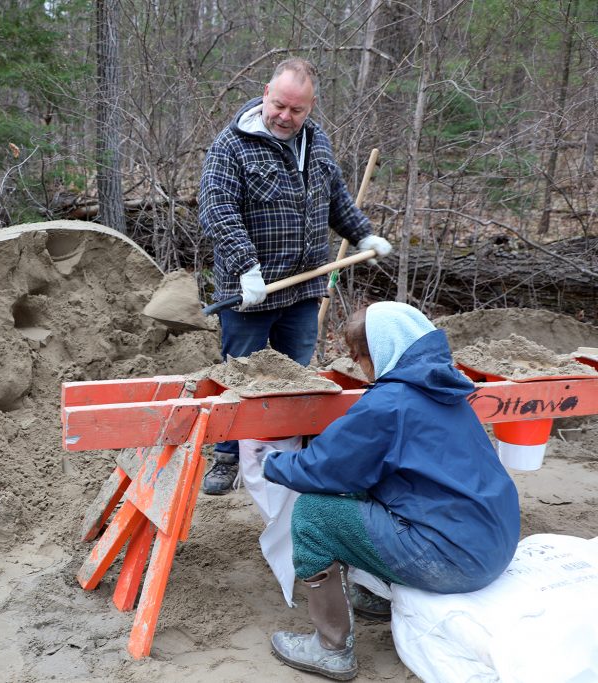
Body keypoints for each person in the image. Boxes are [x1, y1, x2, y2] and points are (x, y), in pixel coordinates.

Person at [256, 301, 520, 680]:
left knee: (314, 513)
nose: (362, 368)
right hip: (494, 540)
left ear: (381, 350)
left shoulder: (388, 403)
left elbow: (324, 469)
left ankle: (330, 648)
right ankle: (376, 594)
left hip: (454, 560)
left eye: (359, 357)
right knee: (367, 487)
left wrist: (270, 463)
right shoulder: (444, 386)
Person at [198, 57, 392, 495]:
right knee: (240, 374)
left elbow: (336, 198)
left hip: (302, 288)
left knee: (298, 375)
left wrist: (362, 236)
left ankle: (292, 451)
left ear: (311, 107)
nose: (285, 116)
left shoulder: (317, 144)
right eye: (279, 105)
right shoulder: (231, 146)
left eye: (296, 110)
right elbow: (217, 210)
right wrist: (246, 265)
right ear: (266, 92)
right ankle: (228, 454)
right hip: (248, 291)